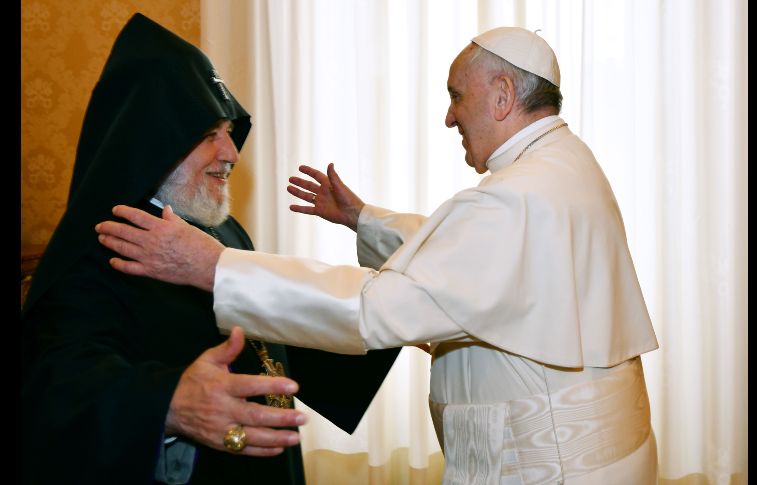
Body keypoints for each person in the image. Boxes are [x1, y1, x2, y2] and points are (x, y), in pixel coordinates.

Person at [96, 26, 660, 484]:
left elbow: (372, 309)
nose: (449, 116)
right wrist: (362, 219)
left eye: (455, 96)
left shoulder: (516, 196)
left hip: (549, 467)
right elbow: (471, 258)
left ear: (503, 96)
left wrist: (212, 266)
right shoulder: (562, 163)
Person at [21, 13, 399, 485]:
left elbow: (275, 339)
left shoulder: (226, 232)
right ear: (151, 142)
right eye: (208, 135)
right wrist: (169, 403)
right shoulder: (101, 246)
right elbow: (54, 388)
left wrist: (388, 319)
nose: (232, 153)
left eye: (228, 131)